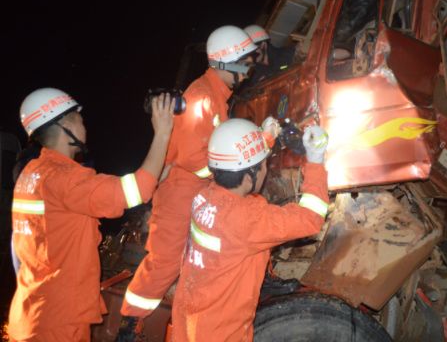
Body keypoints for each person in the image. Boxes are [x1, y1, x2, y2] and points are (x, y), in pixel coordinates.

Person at [120, 26, 281, 323]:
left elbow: (221, 149)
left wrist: (259, 140)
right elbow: (198, 159)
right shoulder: (202, 99)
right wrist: (258, 145)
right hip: (181, 193)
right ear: (225, 63)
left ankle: (264, 278)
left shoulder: (216, 95)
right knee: (165, 261)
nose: (248, 70)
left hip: (201, 189)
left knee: (247, 222)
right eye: (244, 63)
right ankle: (130, 322)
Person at [8, 87, 174, 342]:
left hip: (35, 309)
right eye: (79, 117)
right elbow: (134, 191)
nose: (84, 123)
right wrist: (162, 132)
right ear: (66, 125)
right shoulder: (64, 179)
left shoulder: (34, 173)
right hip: (59, 320)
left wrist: (157, 176)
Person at [171, 118, 330, 342]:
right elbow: (310, 218)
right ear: (248, 178)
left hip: (190, 321)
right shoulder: (248, 220)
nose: (266, 169)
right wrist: (315, 160)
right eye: (263, 165)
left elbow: (231, 162)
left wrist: (264, 139)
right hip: (221, 334)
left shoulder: (205, 195)